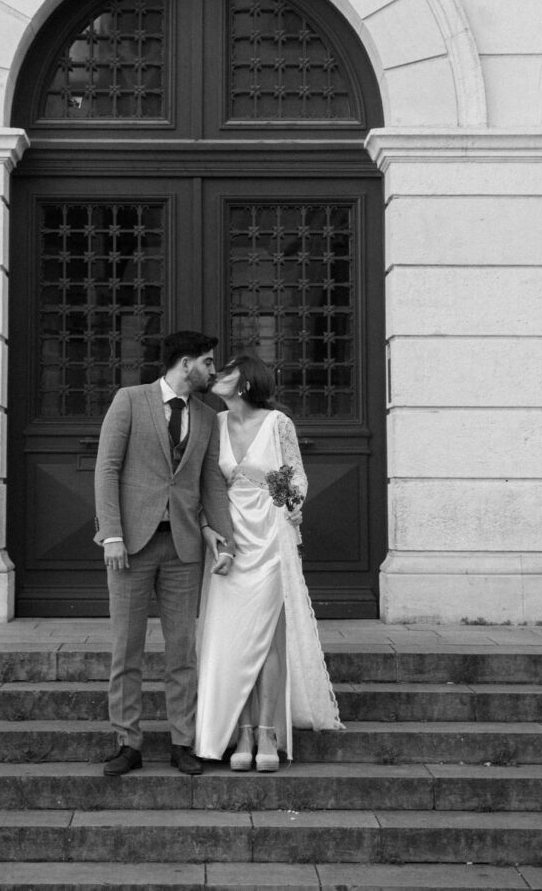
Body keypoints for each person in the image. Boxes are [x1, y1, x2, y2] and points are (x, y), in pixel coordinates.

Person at [94, 330, 235, 777]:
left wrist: (221, 534)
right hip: (131, 546)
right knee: (126, 649)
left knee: (182, 652)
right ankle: (127, 743)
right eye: (208, 363)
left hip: (183, 547)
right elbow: (107, 469)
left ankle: (182, 742)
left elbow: (210, 481)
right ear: (186, 363)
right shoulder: (129, 400)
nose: (213, 371)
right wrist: (111, 534)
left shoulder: (209, 417)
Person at [194, 354, 343, 771]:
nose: (218, 376)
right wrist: (211, 531)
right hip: (229, 537)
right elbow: (206, 486)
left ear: (247, 381)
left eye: (227, 371)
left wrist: (293, 506)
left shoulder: (278, 423)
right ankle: (239, 733)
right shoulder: (213, 424)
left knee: (266, 637)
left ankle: (267, 733)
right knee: (231, 636)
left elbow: (296, 478)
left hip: (269, 536)